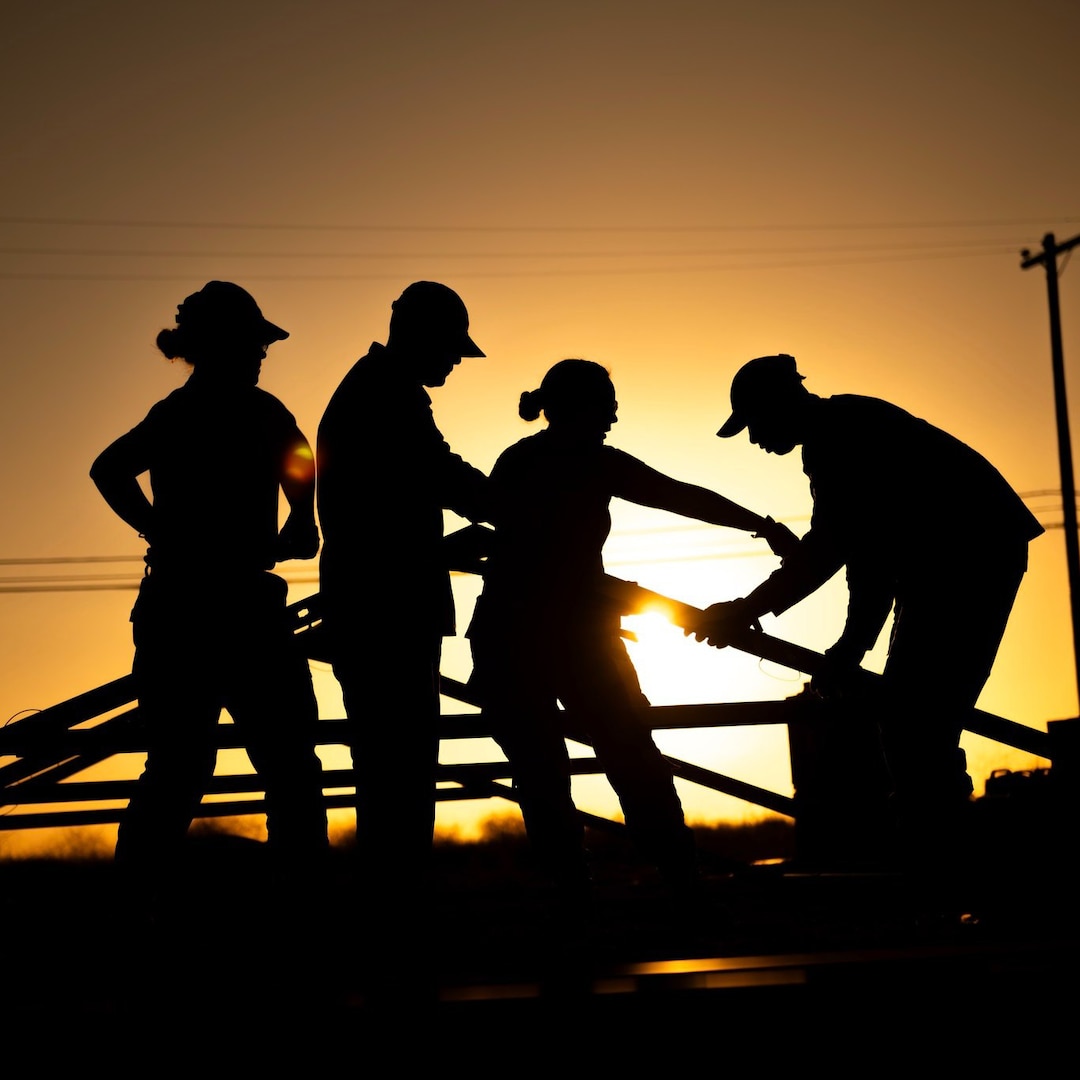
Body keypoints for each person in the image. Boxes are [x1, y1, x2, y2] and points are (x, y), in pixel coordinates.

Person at [694, 353, 1044, 873]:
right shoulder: (839, 434)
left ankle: (951, 873)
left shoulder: (843, 437)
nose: (753, 439)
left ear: (780, 404)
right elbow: (861, 554)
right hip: (945, 564)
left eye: (754, 424)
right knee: (913, 723)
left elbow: (842, 551)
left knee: (915, 725)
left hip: (969, 558)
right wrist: (845, 644)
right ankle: (947, 869)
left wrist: (753, 611)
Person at [466, 358, 799, 901]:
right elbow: (678, 495)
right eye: (608, 405)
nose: (615, 417)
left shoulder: (527, 460)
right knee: (623, 758)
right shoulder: (585, 463)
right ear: (581, 407)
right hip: (560, 636)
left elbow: (677, 495)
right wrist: (761, 526)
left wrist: (758, 525)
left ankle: (584, 897)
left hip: (522, 636)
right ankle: (673, 884)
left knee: (548, 771)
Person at [90, 280, 329, 883]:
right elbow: (299, 460)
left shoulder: (185, 414)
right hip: (229, 609)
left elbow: (110, 468)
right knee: (281, 768)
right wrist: (302, 519)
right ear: (223, 346)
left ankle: (134, 908)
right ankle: (302, 913)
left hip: (186, 606)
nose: (262, 355)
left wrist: (158, 529)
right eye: (254, 344)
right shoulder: (250, 410)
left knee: (182, 769)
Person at [315, 281, 491, 903]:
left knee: (391, 770)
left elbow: (394, 498)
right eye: (450, 349)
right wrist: (514, 507)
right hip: (385, 610)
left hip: (373, 604)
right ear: (423, 336)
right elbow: (435, 475)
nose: (452, 363)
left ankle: (390, 909)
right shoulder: (387, 393)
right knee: (402, 770)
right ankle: (395, 913)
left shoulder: (375, 387)